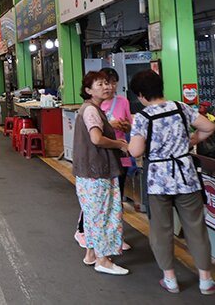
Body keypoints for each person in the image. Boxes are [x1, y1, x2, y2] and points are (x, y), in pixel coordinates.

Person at [128, 70, 215, 295]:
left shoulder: (142, 117)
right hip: (185, 176)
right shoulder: (181, 107)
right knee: (196, 227)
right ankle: (206, 280)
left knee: (161, 230)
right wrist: (190, 141)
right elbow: (209, 127)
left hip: (157, 180)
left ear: (141, 94)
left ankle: (170, 279)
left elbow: (136, 150)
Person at [73, 71, 129, 276]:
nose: (106, 87)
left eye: (107, 83)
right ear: (88, 90)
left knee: (93, 215)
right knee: (103, 215)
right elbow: (96, 138)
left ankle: (91, 254)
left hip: (88, 171)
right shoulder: (91, 111)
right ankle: (103, 260)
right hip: (96, 172)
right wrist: (120, 144)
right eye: (99, 84)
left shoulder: (92, 109)